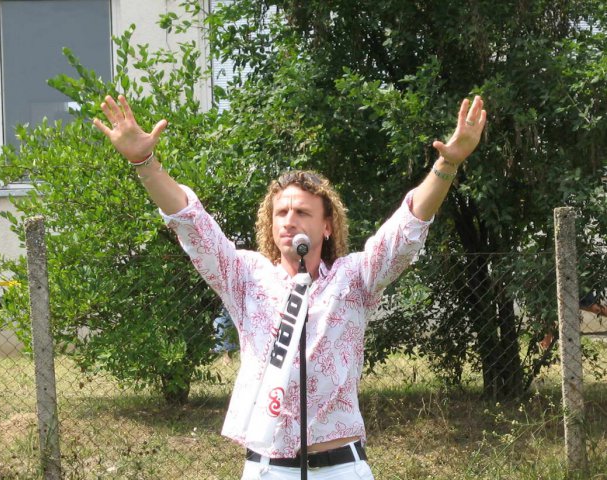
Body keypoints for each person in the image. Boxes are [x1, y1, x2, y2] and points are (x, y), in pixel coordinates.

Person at [93, 94, 486, 479]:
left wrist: (447, 164)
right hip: (268, 468)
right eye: (280, 212)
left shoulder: (354, 278)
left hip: (342, 468)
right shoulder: (245, 277)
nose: (289, 220)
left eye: (301, 212)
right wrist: (145, 163)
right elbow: (191, 224)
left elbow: (405, 231)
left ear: (327, 226)